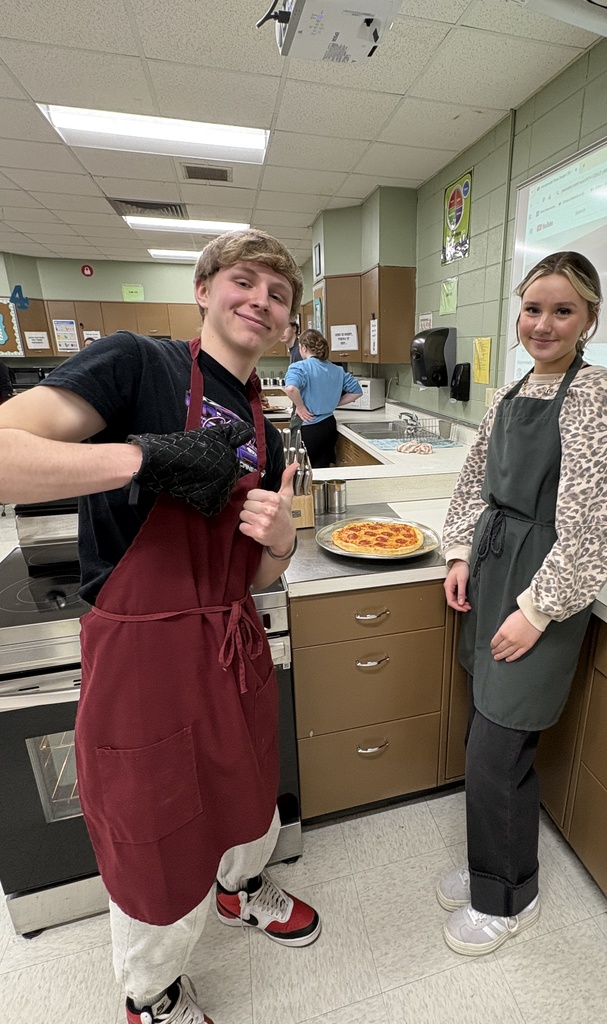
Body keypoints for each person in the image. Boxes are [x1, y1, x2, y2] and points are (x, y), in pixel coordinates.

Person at [0, 229, 321, 1024]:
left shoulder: (263, 422)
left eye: (278, 295)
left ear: (286, 323)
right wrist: (142, 457)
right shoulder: (136, 365)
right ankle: (152, 992)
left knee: (249, 791)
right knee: (154, 829)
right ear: (205, 289)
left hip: (230, 639)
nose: (261, 301)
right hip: (144, 650)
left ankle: (240, 891)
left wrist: (281, 540)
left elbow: (257, 575)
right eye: (244, 282)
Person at [437, 251, 607, 957]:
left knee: (501, 743)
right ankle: (488, 862)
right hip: (496, 568)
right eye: (533, 308)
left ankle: (506, 899)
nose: (544, 323)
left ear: (590, 318)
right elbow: (474, 482)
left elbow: (598, 521)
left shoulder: (602, 397)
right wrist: (461, 551)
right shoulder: (511, 392)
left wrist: (540, 607)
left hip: (547, 583)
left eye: (563, 310)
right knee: (488, 735)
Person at [283, 328, 362, 468]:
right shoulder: (337, 369)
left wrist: (300, 407)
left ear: (303, 347)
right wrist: (333, 403)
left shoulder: (299, 367)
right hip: (328, 426)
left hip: (307, 426)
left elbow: (290, 388)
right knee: (323, 470)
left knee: (301, 470)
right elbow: (357, 391)